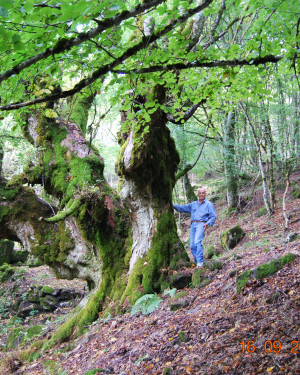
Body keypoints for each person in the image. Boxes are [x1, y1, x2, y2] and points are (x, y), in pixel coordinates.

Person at [173, 187, 217, 268]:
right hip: (193, 225)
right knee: (192, 245)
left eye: (203, 193)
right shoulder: (193, 204)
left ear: (205, 194)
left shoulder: (209, 204)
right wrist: (172, 205)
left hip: (201, 224)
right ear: (198, 194)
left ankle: (200, 262)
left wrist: (207, 224)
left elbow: (213, 216)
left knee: (197, 242)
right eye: (200, 193)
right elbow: (182, 208)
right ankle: (197, 261)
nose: (201, 194)